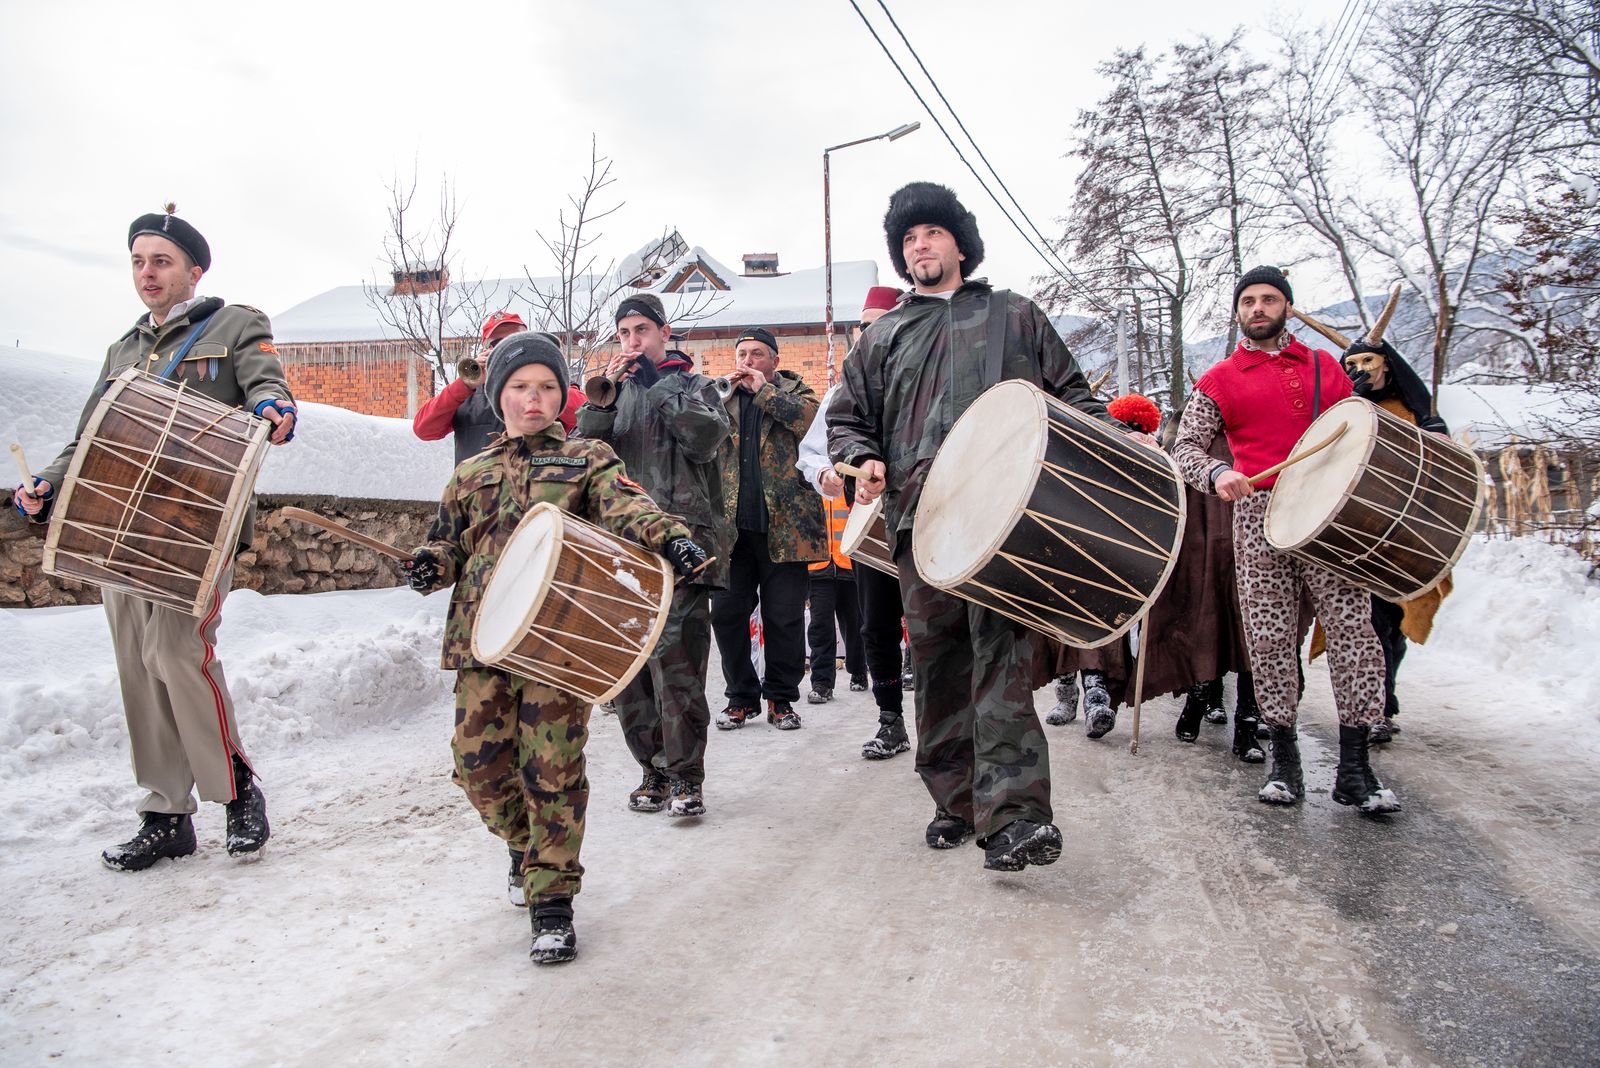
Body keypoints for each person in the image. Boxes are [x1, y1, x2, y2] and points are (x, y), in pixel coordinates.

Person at [829, 182, 1146, 871]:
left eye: (932, 234)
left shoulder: (1014, 316)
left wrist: (1117, 441)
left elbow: (1072, 396)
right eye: (909, 240)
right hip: (921, 521)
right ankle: (954, 801)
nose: (920, 247)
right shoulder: (882, 337)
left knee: (1000, 666)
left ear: (960, 244)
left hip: (1005, 519)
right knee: (939, 667)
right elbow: (846, 419)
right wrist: (862, 457)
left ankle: (1016, 818)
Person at [404, 331, 707, 965]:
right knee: (476, 768)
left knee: (553, 773)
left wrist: (670, 537)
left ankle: (553, 901)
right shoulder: (470, 474)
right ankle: (525, 847)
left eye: (545, 386)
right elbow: (448, 545)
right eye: (519, 387)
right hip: (482, 644)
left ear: (561, 396)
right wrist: (430, 564)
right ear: (498, 396)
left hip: (557, 640)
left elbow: (627, 508)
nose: (532, 399)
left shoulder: (585, 458)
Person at [15, 207, 295, 870]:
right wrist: (49, 487)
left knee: (176, 652)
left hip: (196, 526)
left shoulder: (234, 325)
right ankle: (166, 813)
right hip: (117, 525)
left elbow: (265, 379)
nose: (148, 272)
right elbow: (90, 437)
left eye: (162, 260)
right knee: (138, 666)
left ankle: (236, 793)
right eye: (139, 260)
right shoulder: (122, 350)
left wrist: (274, 408)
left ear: (193, 271)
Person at [1171, 265, 1399, 815]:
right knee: (1270, 639)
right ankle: (1284, 762)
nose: (1257, 308)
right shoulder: (1217, 380)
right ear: (1237, 312)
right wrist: (1217, 474)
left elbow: (1363, 430)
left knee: (1353, 633)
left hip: (1329, 517)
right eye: (1247, 300)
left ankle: (1356, 770)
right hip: (1257, 516)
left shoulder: (1328, 369)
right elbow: (1186, 450)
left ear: (1287, 309)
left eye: (1268, 299)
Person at [575, 294, 732, 818]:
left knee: (678, 666)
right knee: (631, 672)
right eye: (623, 333)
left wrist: (656, 384)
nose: (632, 342)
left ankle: (688, 777)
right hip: (620, 549)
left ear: (665, 333)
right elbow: (582, 459)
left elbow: (706, 440)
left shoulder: (694, 386)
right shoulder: (612, 393)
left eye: (641, 330)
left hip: (684, 545)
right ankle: (654, 770)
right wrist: (598, 406)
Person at [1311, 332, 1453, 744]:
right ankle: (1376, 709)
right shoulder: (1346, 413)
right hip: (1356, 535)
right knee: (1369, 623)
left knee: (1392, 624)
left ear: (1387, 364)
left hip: (1404, 535)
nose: (1360, 371)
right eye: (1351, 365)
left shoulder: (1413, 415)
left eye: (1368, 363)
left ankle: (1384, 700)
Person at [798, 286, 913, 758]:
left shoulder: (927, 380)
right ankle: (891, 721)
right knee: (876, 625)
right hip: (871, 525)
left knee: (937, 626)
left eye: (878, 322)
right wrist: (824, 472)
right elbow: (813, 452)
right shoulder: (843, 390)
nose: (868, 332)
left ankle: (954, 727)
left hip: (934, 519)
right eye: (863, 325)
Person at [709, 327, 826, 731]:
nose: (748, 362)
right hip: (731, 532)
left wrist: (766, 393)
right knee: (726, 614)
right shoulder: (719, 397)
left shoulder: (799, 394)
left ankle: (780, 698)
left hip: (787, 528)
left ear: (775, 360)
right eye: (742, 354)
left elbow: (813, 424)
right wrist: (716, 398)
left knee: (785, 618)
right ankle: (741, 698)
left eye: (757, 354)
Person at [412, 311, 585, 464]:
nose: (506, 348)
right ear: (485, 350)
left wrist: (541, 375)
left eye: (513, 341)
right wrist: (465, 384)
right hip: (478, 493)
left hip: (537, 494)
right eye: (497, 344)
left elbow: (585, 418)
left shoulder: (546, 387)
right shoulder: (466, 394)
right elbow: (424, 429)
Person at [803, 489, 867, 704]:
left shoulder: (849, 476)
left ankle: (858, 669)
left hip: (849, 562)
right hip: (819, 565)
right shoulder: (811, 476)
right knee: (820, 625)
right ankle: (822, 683)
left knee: (855, 622)